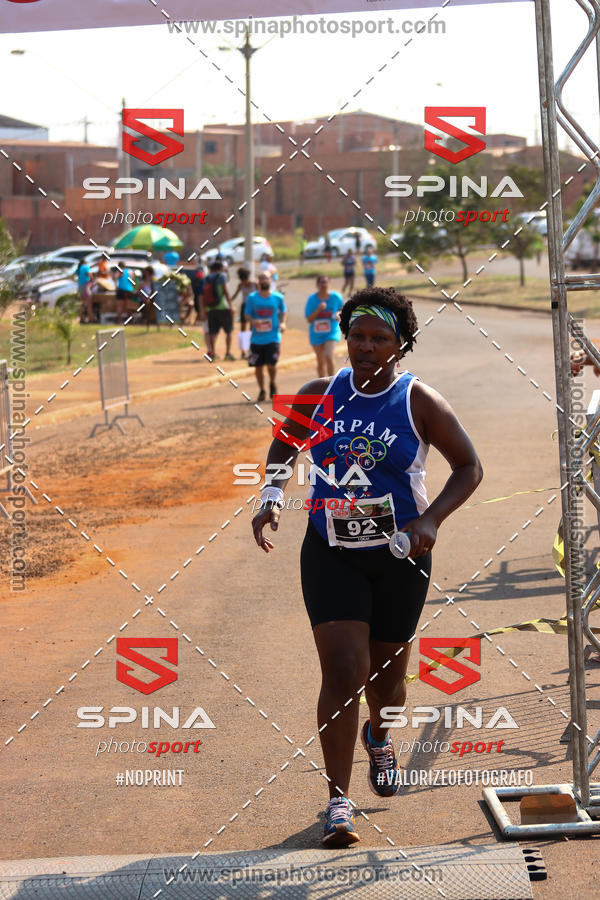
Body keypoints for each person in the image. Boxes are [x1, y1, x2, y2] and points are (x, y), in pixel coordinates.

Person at [251, 286, 483, 847]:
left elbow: (469, 468)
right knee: (343, 673)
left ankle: (380, 736)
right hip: (330, 554)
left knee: (389, 686)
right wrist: (272, 495)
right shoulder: (317, 394)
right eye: (357, 336)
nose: (366, 346)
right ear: (345, 337)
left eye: (380, 338)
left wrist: (429, 521)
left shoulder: (418, 401)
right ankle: (338, 800)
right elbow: (284, 447)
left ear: (401, 346)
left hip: (401, 556)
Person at [244, 272, 286, 402]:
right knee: (258, 367)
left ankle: (272, 383)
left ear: (270, 280)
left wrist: (283, 323)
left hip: (273, 337)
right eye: (261, 278)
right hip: (256, 339)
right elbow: (247, 314)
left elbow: (283, 311)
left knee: (271, 365)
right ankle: (262, 390)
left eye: (266, 278)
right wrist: (253, 321)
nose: (263, 280)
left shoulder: (278, 297)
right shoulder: (252, 298)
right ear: (258, 281)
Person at [305, 275, 344, 377]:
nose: (324, 285)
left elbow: (342, 310)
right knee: (320, 362)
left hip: (331, 331)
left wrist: (339, 314)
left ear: (329, 284)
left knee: (328, 356)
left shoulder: (336, 297)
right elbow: (309, 319)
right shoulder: (312, 299)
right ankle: (322, 385)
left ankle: (331, 383)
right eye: (321, 282)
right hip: (316, 333)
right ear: (317, 285)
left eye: (326, 282)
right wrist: (318, 310)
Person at [203, 260, 234, 361]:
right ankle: (228, 353)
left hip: (211, 308)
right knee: (229, 331)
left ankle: (213, 353)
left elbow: (203, 295)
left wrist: (204, 309)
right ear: (220, 268)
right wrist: (231, 306)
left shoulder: (206, 278)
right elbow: (225, 291)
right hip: (223, 307)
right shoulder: (222, 276)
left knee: (212, 332)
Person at [230, 267, 257, 360]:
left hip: (253, 307)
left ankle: (251, 350)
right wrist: (229, 301)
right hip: (245, 306)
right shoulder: (240, 285)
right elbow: (235, 295)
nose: (245, 282)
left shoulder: (255, 284)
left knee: (252, 329)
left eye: (245, 280)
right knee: (243, 330)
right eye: (243, 280)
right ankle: (242, 351)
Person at [137, 265, 156, 330]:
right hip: (143, 301)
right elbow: (139, 293)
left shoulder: (153, 282)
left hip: (152, 300)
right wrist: (145, 299)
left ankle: (153, 319)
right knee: (147, 303)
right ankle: (145, 318)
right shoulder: (142, 283)